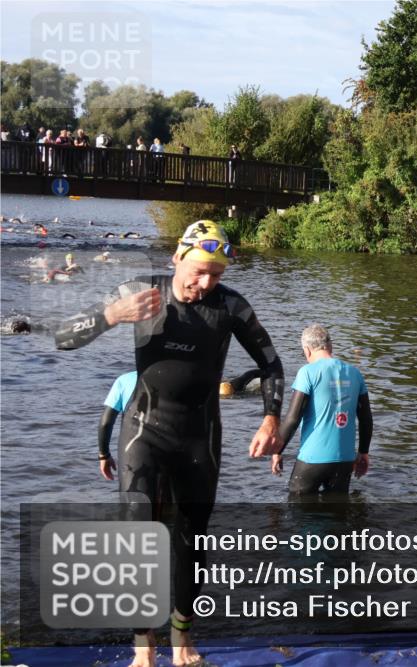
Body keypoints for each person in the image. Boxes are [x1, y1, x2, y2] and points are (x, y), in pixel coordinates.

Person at [53, 220, 284, 667]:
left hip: (200, 438)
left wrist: (270, 418)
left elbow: (272, 365)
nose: (205, 282)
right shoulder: (141, 290)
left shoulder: (231, 307)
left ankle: (182, 643)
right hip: (143, 432)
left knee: (191, 543)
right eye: (198, 270)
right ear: (176, 258)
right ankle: (145, 647)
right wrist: (111, 316)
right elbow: (63, 338)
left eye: (216, 275)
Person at [273, 324, 372, 495]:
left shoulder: (307, 373)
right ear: (330, 346)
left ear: (307, 350)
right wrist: (363, 452)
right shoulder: (355, 373)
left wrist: (277, 451)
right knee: (337, 514)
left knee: (298, 512)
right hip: (345, 460)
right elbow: (366, 419)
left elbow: (292, 419)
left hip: (312, 459)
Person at [97, 370, 137, 480]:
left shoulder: (125, 379)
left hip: (134, 450)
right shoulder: (185, 375)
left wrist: (104, 455)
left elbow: (105, 423)